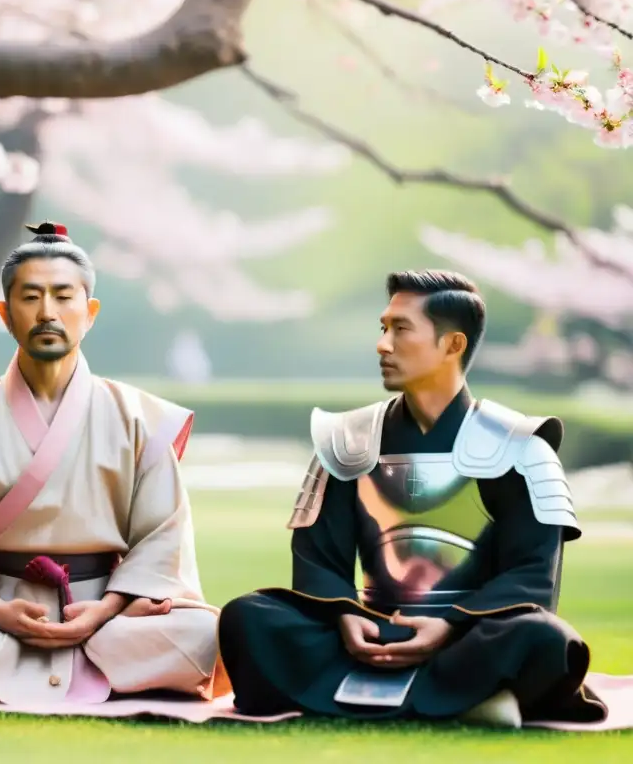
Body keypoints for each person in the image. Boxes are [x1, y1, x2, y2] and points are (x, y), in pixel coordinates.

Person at [217, 269, 608, 728]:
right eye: (383, 328)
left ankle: (346, 694)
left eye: (400, 329)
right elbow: (319, 559)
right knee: (248, 617)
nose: (383, 344)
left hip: (470, 637)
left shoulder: (519, 444)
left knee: (543, 639)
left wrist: (450, 626)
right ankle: (472, 699)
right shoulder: (347, 439)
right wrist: (345, 615)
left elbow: (531, 576)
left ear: (452, 345)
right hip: (368, 631)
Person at [0, 222, 225, 704]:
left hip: (103, 617)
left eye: (63, 296)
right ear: (5, 315)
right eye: (30, 298)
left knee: (209, 634)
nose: (47, 312)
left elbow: (162, 538)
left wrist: (106, 610)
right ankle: (82, 668)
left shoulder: (142, 420)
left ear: (89, 312)